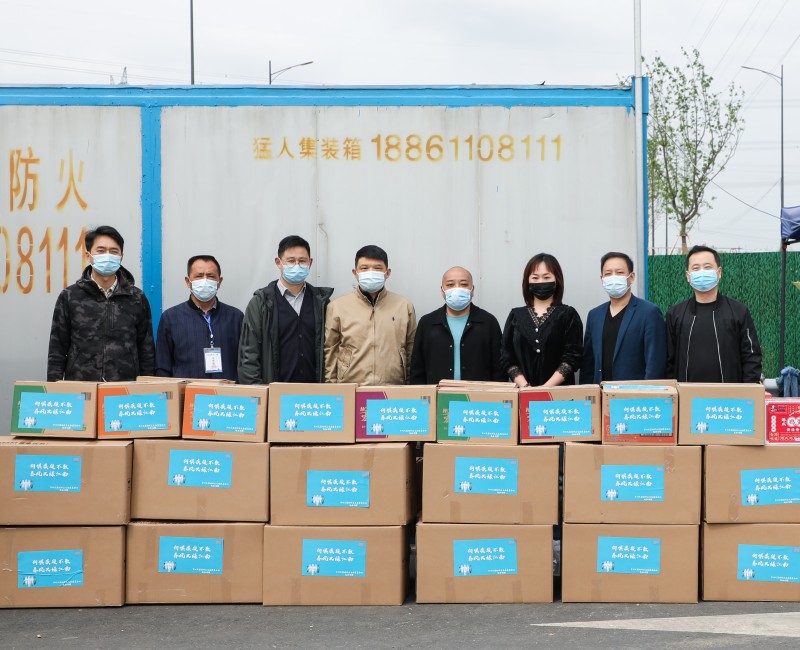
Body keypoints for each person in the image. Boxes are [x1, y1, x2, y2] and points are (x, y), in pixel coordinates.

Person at [47, 225, 155, 381]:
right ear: (88, 256)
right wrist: (54, 386)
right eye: (101, 250)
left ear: (121, 256)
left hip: (125, 388)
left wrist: (148, 386)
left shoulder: (136, 298)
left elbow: (147, 351)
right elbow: (57, 349)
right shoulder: (70, 296)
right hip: (81, 387)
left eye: (114, 251)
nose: (107, 256)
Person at [238, 235, 333, 384]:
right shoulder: (261, 303)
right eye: (291, 261)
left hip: (315, 393)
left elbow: (331, 352)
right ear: (279, 263)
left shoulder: (322, 303)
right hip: (275, 392)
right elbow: (248, 355)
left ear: (310, 263)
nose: (297, 265)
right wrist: (259, 392)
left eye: (302, 261)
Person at [666, 244, 762, 382]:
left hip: (729, 394)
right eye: (696, 268)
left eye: (708, 267)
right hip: (687, 393)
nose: (702, 272)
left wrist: (747, 390)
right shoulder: (675, 314)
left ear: (719, 272)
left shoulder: (738, 311)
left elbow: (751, 357)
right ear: (688, 276)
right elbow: (668, 361)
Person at [325, 244, 416, 385]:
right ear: (355, 273)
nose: (371, 272)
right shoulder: (337, 307)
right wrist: (331, 386)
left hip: (393, 386)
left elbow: (411, 348)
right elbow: (331, 350)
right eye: (364, 268)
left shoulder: (404, 306)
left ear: (388, 272)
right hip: (351, 386)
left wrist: (410, 385)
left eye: (377, 268)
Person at [580, 252, 667, 383]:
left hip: (634, 394)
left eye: (619, 272)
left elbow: (655, 363)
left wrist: (648, 391)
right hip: (601, 392)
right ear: (602, 279)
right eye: (608, 273)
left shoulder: (649, 312)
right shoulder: (594, 315)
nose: (613, 277)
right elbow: (588, 364)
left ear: (631, 277)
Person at [410, 266, 504, 384]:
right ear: (442, 291)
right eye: (450, 285)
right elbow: (417, 369)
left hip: (479, 394)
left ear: (472, 290)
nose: (457, 289)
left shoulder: (488, 322)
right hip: (437, 394)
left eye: (464, 284)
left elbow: (499, 369)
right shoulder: (427, 323)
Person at [500, 253, 583, 387]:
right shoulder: (515, 315)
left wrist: (545, 389)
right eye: (535, 277)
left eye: (546, 277)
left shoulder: (568, 314)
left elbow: (573, 356)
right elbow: (506, 357)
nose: (541, 282)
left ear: (557, 279)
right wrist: (525, 387)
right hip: (523, 392)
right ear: (527, 281)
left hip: (560, 395)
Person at [155, 255, 243, 381]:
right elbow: (163, 367)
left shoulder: (236, 317)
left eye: (211, 276)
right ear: (188, 281)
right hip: (186, 392)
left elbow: (245, 363)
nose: (205, 280)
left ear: (219, 282)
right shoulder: (170, 318)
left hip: (226, 392)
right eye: (199, 276)